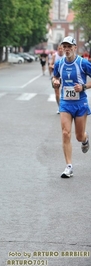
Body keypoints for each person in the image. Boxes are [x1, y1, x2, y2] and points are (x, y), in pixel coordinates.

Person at [52, 36, 91, 178]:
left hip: (80, 103)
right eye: (64, 47)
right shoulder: (59, 63)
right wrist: (55, 82)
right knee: (65, 133)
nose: (67, 49)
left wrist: (83, 86)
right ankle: (69, 166)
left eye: (69, 47)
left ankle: (85, 139)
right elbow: (55, 77)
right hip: (66, 103)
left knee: (79, 136)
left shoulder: (83, 63)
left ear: (75, 48)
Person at [49, 44, 64, 114]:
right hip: (56, 77)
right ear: (57, 49)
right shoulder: (55, 56)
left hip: (64, 77)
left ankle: (65, 107)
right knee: (57, 93)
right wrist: (53, 66)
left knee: (65, 92)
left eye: (61, 48)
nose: (60, 50)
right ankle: (59, 107)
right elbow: (50, 64)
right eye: (59, 49)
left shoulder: (66, 56)